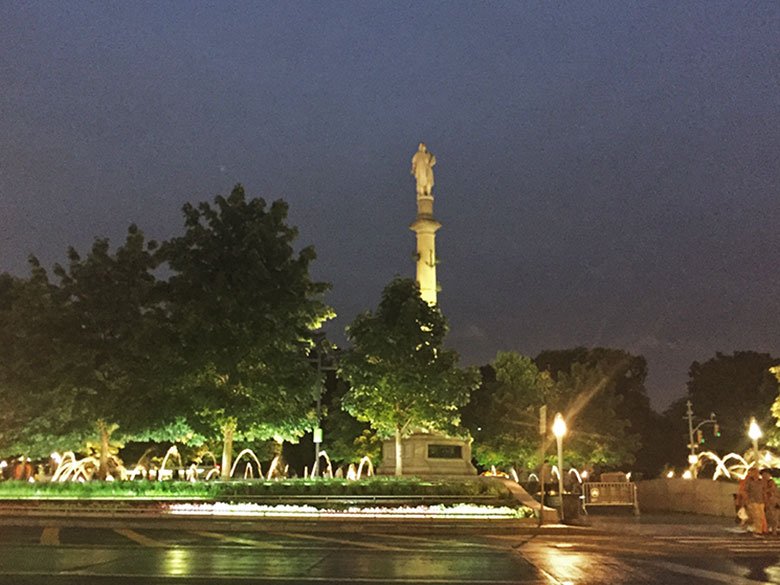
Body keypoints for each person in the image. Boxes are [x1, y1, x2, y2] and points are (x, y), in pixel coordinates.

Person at [744, 467, 767, 535]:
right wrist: (747, 499)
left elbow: (764, 491)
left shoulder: (761, 481)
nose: (756, 473)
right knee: (756, 516)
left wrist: (765, 499)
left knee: (761, 516)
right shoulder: (749, 481)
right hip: (752, 500)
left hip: (760, 501)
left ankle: (759, 530)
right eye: (754, 472)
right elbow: (746, 490)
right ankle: (757, 531)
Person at [762, 469, 779, 535]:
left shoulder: (777, 490)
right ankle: (767, 529)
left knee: (775, 518)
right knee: (768, 518)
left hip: (776, 505)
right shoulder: (766, 490)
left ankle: (774, 530)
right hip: (768, 505)